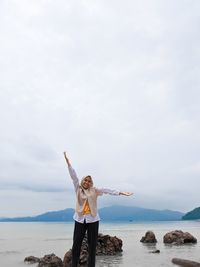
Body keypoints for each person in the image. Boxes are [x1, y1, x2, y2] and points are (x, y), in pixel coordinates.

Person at [63, 152, 133, 267]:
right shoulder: (78, 188)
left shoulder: (94, 190)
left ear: (91, 183)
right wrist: (68, 163)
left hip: (93, 220)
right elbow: (73, 176)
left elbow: (107, 190)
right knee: (76, 245)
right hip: (80, 219)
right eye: (85, 180)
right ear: (82, 181)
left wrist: (121, 193)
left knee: (92, 247)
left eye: (89, 181)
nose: (87, 182)